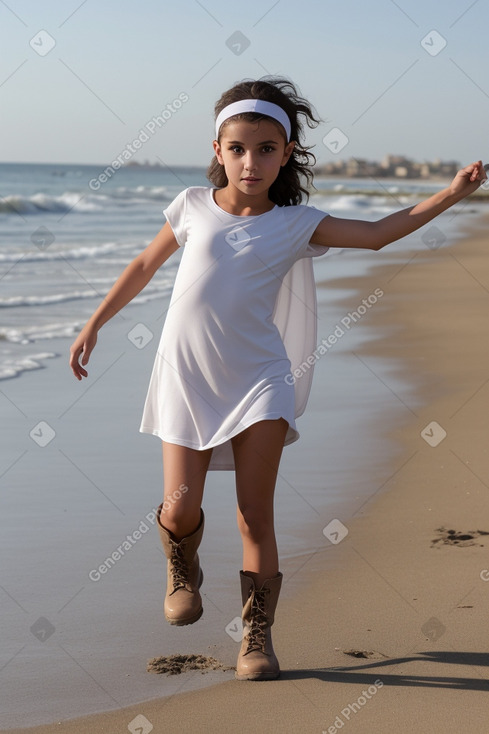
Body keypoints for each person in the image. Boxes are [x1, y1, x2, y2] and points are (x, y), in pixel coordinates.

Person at [69, 76, 486, 681]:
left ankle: (255, 638)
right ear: (218, 150)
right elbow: (141, 265)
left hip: (262, 380)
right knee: (181, 508)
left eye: (266, 149)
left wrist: (452, 194)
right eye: (237, 148)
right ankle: (183, 563)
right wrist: (95, 324)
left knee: (252, 515)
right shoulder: (190, 206)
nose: (250, 161)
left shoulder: (295, 223)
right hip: (186, 376)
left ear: (286, 154)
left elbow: (375, 236)